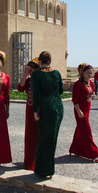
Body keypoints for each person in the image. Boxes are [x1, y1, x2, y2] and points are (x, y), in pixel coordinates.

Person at [31, 51, 64, 179]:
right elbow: (60, 90)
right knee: (52, 139)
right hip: (58, 107)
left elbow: (36, 94)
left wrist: (35, 111)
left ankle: (44, 170)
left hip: (46, 107)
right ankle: (44, 169)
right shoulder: (56, 73)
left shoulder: (36, 74)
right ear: (49, 61)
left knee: (44, 139)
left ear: (39, 61)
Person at [69, 63, 98, 163]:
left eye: (91, 72)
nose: (90, 74)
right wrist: (79, 111)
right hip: (80, 111)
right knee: (87, 131)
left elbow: (91, 93)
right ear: (82, 73)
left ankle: (75, 149)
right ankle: (94, 154)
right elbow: (75, 100)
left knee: (80, 129)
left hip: (87, 109)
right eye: (88, 72)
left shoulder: (90, 83)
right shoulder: (78, 85)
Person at [17, 57, 40, 171]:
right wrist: (25, 74)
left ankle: (39, 162)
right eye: (30, 70)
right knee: (30, 136)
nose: (32, 72)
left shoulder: (42, 80)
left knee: (40, 136)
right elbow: (20, 88)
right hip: (30, 110)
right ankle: (29, 162)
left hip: (41, 111)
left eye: (33, 70)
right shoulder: (29, 81)